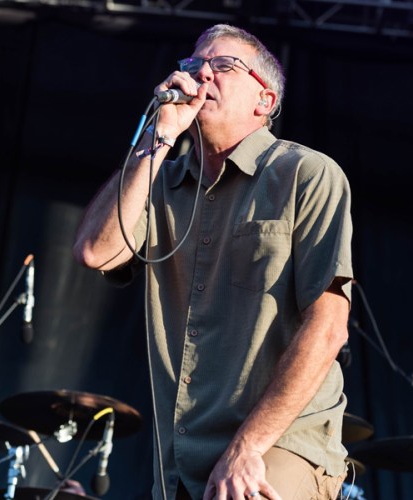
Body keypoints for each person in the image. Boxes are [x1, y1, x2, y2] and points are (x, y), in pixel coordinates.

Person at [73, 24, 353, 500]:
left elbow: (328, 328)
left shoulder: (305, 174)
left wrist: (248, 446)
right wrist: (157, 135)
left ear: (264, 101)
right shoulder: (160, 181)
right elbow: (95, 251)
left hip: (279, 441)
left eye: (224, 65)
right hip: (183, 457)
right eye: (194, 63)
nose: (202, 73)